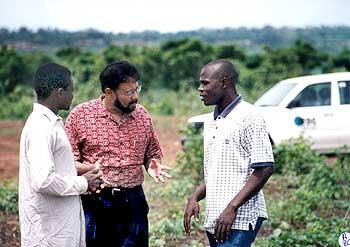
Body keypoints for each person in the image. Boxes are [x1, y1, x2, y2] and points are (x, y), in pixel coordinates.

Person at [65, 60, 171, 247]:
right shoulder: (80, 116)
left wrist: (152, 162)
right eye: (128, 92)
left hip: (134, 201)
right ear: (108, 92)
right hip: (95, 201)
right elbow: (67, 163)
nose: (135, 97)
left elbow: (152, 151)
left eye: (137, 89)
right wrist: (90, 169)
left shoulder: (142, 115)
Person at [183, 59, 274, 247]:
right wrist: (194, 197)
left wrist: (232, 208)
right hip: (217, 217)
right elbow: (218, 173)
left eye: (205, 83)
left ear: (224, 83)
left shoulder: (250, 116)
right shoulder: (212, 120)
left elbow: (265, 168)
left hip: (239, 216)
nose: (200, 89)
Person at [19, 63, 103, 247]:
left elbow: (57, 167)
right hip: (49, 233)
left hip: (57, 227)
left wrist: (84, 170)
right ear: (59, 92)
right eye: (71, 90)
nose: (73, 96)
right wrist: (84, 183)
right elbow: (43, 180)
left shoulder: (52, 123)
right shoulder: (41, 127)